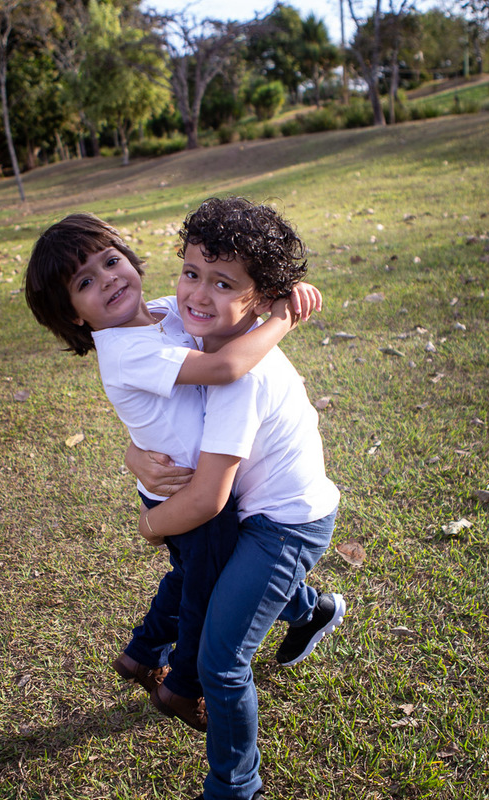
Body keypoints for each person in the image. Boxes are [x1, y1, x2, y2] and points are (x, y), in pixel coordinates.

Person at [22, 212, 321, 733]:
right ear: (72, 315)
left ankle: (142, 653)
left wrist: (277, 289)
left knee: (190, 577)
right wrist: (282, 320)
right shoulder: (125, 352)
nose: (107, 280)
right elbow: (225, 367)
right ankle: (185, 687)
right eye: (84, 283)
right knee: (206, 592)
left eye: (110, 261)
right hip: (192, 497)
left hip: (178, 484)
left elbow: (220, 301)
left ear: (130, 258)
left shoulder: (164, 310)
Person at [128, 197, 346, 800]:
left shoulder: (241, 376)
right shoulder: (188, 325)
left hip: (285, 524)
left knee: (221, 661)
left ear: (260, 299)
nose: (197, 294)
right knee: (231, 590)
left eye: (223, 283)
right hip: (248, 511)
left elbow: (205, 498)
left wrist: (150, 527)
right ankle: (310, 611)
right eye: (191, 272)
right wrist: (132, 455)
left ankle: (235, 786)